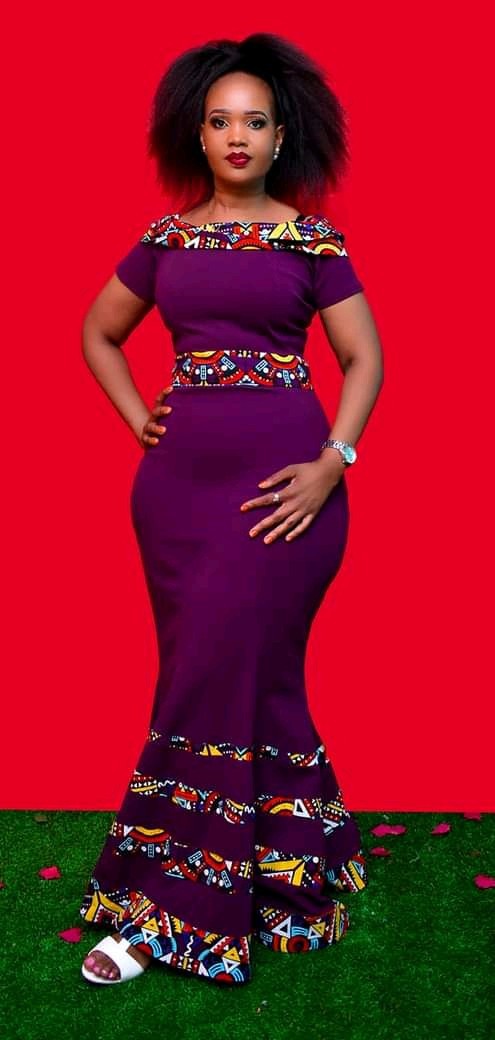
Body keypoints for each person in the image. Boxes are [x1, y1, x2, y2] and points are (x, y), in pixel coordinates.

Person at [78, 31, 384, 987]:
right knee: (226, 679)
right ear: (198, 136)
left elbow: (365, 360)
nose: (238, 136)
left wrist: (331, 464)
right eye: (220, 121)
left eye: (255, 121)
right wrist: (138, 416)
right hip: (176, 500)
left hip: (287, 501)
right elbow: (98, 332)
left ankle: (169, 915)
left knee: (218, 676)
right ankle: (300, 863)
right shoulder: (165, 240)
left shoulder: (311, 240)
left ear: (282, 136)